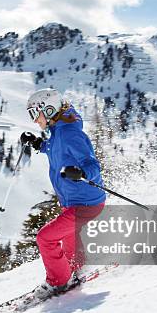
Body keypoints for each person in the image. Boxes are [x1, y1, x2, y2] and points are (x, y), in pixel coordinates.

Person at [20, 88, 106, 298]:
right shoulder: (59, 132)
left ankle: (59, 281)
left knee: (45, 238)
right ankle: (75, 268)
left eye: (34, 114)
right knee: (69, 236)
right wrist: (39, 144)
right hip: (74, 202)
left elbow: (92, 164)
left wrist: (82, 172)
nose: (34, 120)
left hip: (85, 204)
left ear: (48, 110)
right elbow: (55, 148)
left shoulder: (70, 133)